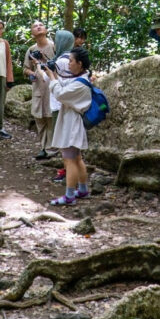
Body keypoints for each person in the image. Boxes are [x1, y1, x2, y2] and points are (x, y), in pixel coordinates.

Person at [39, 47, 92, 206]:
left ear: (79, 63)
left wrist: (52, 78)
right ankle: (82, 190)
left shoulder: (81, 84)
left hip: (72, 124)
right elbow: (64, 86)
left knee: (69, 160)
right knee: (76, 158)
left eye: (71, 61)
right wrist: (52, 74)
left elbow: (61, 94)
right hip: (73, 122)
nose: (68, 64)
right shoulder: (81, 79)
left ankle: (69, 196)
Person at [23, 21, 56, 160]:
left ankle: (52, 149)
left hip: (52, 88)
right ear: (32, 33)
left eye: (41, 25)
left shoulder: (54, 46)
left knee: (51, 118)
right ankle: (43, 148)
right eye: (35, 26)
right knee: (40, 118)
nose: (38, 27)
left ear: (46, 30)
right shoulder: (31, 50)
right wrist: (31, 73)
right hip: (38, 88)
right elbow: (25, 68)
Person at [49, 29, 76, 183]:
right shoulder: (70, 59)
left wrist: (43, 70)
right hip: (65, 103)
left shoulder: (61, 61)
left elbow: (54, 81)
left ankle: (67, 171)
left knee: (63, 140)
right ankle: (68, 170)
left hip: (60, 104)